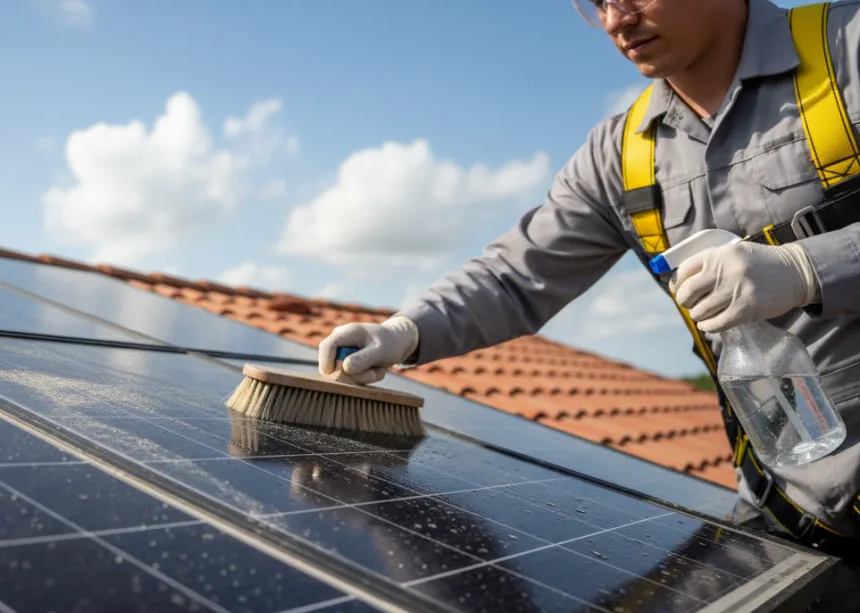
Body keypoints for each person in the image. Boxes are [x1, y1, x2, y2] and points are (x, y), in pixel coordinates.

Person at [317, 0, 860, 564]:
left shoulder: (847, 51)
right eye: (596, 2)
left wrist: (808, 268)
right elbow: (513, 276)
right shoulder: (621, 155)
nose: (615, 19)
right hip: (789, 519)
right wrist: (406, 330)